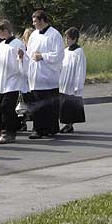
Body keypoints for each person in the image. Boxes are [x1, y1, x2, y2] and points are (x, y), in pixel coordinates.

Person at [0, 19, 28, 144]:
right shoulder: (2, 44)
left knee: (6, 106)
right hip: (2, 80)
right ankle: (11, 131)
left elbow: (24, 63)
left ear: (6, 31)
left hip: (13, 81)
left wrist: (21, 58)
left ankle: (7, 133)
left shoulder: (17, 43)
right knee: (3, 107)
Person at [25, 10, 64, 139]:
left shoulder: (54, 34)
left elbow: (59, 55)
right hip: (36, 74)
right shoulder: (34, 35)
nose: (34, 24)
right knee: (37, 103)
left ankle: (51, 128)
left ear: (42, 20)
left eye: (35, 21)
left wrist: (43, 56)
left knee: (49, 104)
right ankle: (38, 129)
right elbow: (29, 53)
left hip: (48, 75)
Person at [59, 27, 87, 130]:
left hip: (72, 82)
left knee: (71, 104)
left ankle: (70, 125)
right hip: (63, 81)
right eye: (66, 38)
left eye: (69, 38)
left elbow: (81, 69)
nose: (67, 40)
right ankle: (66, 123)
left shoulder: (79, 52)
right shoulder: (65, 51)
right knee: (63, 104)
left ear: (74, 39)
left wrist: (78, 85)